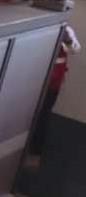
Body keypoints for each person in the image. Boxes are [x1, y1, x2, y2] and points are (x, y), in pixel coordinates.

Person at [27, 24, 80, 168]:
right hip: (32, 77)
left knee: (43, 116)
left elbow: (75, 49)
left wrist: (67, 40)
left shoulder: (66, 30)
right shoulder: (40, 26)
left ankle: (34, 153)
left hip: (52, 82)